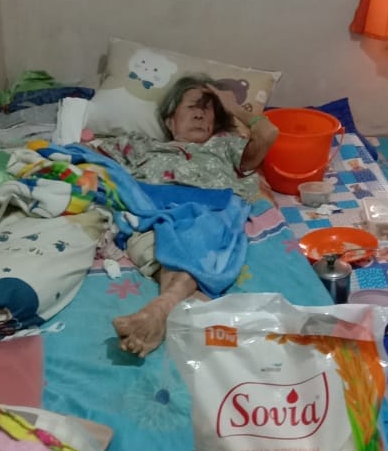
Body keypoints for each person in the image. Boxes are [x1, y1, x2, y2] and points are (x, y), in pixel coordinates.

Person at [111, 74, 279, 358]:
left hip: (208, 214)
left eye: (208, 109)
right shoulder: (139, 146)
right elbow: (87, 158)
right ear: (170, 121)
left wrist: (232, 107)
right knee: (168, 246)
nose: (200, 114)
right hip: (154, 215)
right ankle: (170, 314)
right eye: (192, 107)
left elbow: (268, 133)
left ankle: (159, 311)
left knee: (193, 238)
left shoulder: (225, 147)